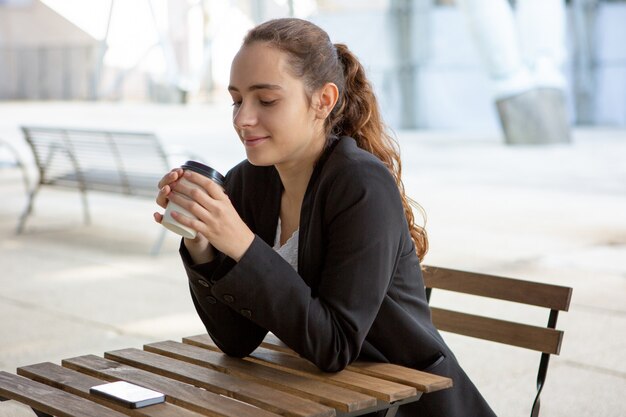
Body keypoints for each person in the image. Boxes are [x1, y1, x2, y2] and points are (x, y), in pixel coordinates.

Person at [154, 18, 496, 417]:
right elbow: (236, 340)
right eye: (236, 100)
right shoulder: (248, 182)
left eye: (265, 100)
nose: (242, 118)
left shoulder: (362, 185)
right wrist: (203, 246)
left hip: (405, 404)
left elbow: (335, 345)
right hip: (317, 398)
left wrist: (240, 244)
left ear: (323, 100)